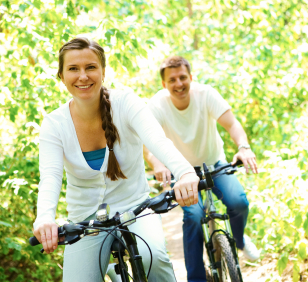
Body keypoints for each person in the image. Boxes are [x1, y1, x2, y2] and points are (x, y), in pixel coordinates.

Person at [32, 39, 200, 282]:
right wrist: (45, 217)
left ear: (102, 71)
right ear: (61, 75)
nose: (82, 76)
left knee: (154, 258)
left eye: (90, 67)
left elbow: (157, 140)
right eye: (73, 69)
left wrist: (185, 173)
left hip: (136, 207)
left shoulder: (126, 103)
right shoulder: (54, 124)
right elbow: (50, 176)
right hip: (84, 220)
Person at [143, 56, 260, 282]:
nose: (179, 84)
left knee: (238, 202)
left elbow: (232, 124)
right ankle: (196, 279)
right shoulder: (157, 105)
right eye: (172, 80)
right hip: (182, 171)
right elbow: (149, 145)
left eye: (183, 77)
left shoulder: (206, 94)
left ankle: (241, 240)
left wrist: (243, 147)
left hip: (213, 162)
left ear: (191, 78)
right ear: (164, 84)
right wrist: (158, 164)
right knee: (194, 216)